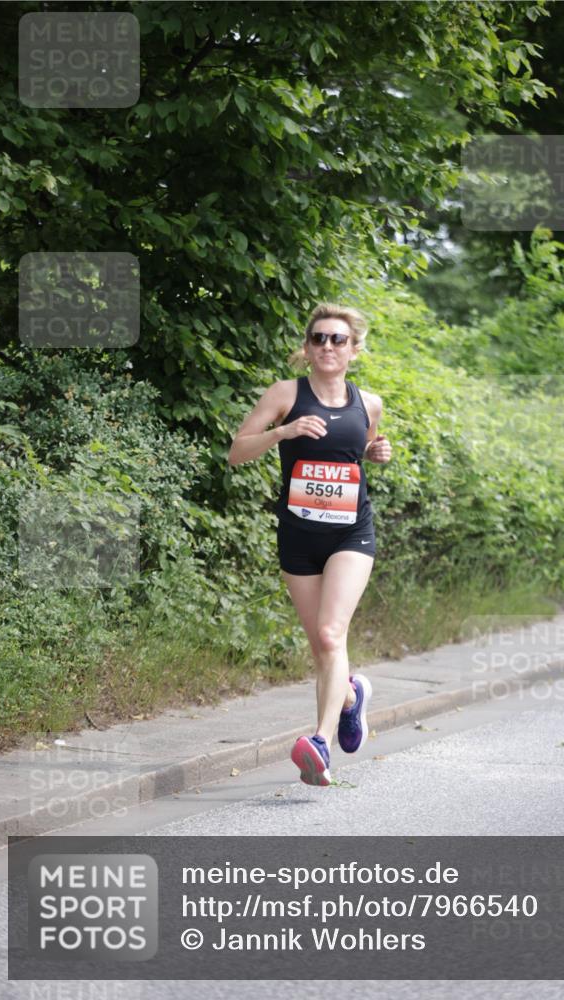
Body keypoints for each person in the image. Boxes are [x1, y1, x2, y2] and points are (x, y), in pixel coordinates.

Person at [228, 303, 391, 786]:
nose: (327, 346)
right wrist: (285, 431)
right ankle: (350, 697)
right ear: (307, 347)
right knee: (322, 651)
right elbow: (237, 452)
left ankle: (319, 742)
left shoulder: (370, 402)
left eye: (338, 340)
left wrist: (375, 452)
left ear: (354, 351)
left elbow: (357, 450)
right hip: (298, 534)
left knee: (329, 634)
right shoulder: (285, 394)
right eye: (318, 338)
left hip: (350, 532)